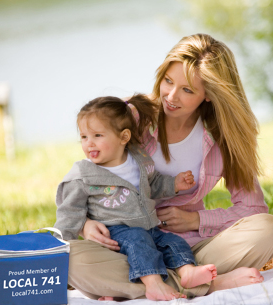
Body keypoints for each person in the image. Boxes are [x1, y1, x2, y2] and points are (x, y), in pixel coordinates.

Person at [66, 33, 273, 300]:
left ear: (209, 94)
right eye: (168, 81)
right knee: (71, 257)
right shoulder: (133, 117)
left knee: (267, 229)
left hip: (192, 248)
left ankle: (158, 282)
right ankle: (208, 283)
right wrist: (85, 225)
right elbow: (88, 178)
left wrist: (196, 219)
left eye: (187, 90)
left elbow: (253, 208)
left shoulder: (224, 138)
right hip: (127, 245)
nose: (171, 96)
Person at [54, 94, 217, 301]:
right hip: (116, 231)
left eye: (97, 136)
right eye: (84, 137)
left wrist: (173, 184)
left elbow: (153, 183)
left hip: (149, 226)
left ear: (123, 137)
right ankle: (153, 283)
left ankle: (187, 272)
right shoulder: (83, 174)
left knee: (171, 241)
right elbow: (70, 211)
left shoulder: (138, 160)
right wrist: (59, 245)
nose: (89, 144)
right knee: (138, 241)